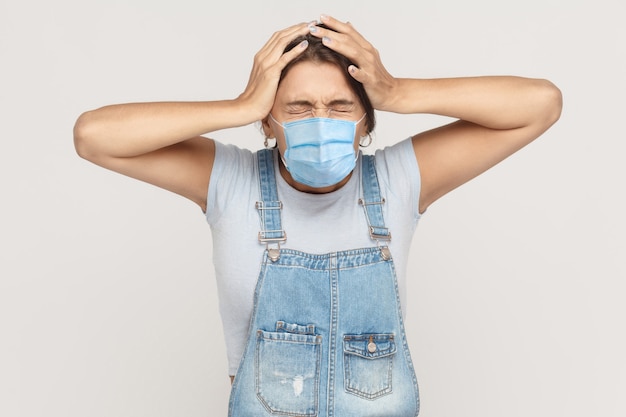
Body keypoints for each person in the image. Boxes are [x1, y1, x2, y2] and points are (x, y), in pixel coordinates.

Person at [73, 14, 562, 417]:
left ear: (367, 121)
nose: (321, 121)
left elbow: (540, 104)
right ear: (269, 119)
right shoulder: (231, 182)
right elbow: (94, 136)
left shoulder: (398, 182)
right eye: (299, 107)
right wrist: (239, 104)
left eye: (341, 106)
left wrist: (396, 91)